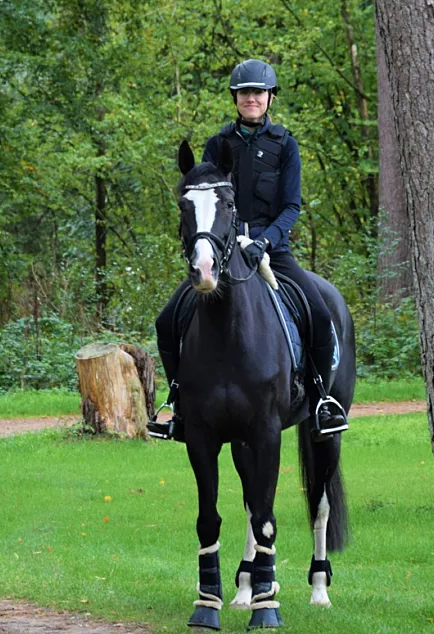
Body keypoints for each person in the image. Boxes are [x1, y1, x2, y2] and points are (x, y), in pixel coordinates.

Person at [147, 59, 348, 443]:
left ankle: (321, 400)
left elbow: (292, 206)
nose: (251, 99)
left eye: (258, 92)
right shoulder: (217, 144)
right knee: (166, 320)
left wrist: (264, 241)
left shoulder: (285, 145)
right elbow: (206, 201)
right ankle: (178, 401)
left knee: (320, 316)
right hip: (223, 253)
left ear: (270, 97)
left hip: (273, 250)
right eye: (244, 93)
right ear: (235, 99)